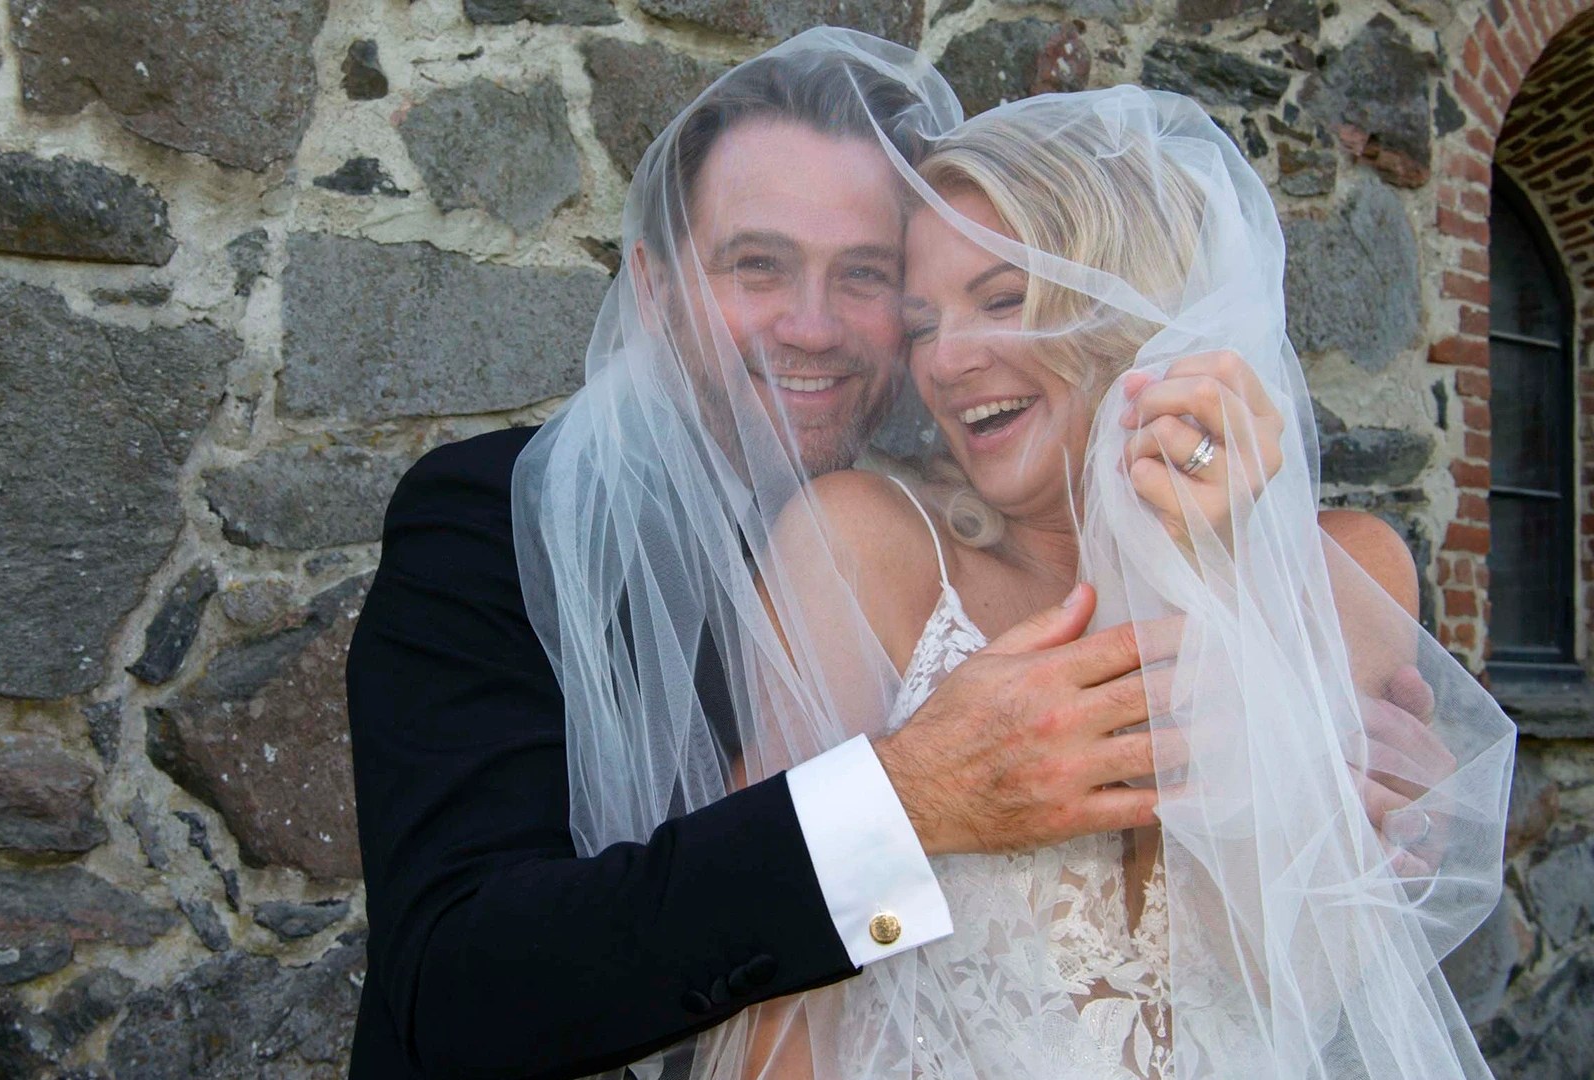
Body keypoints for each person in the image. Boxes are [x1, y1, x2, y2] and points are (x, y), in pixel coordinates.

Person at [538, 56, 1514, 1079]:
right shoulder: (866, 546)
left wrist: (1207, 566)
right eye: (921, 322)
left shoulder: (1348, 576)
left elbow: (1288, 977)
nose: (944, 360)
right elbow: (774, 997)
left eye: (1003, 299)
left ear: (1130, 302)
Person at [346, 33, 1175, 1080]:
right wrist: (907, 802)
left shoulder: (978, 530)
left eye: (866, 275)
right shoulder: (497, 519)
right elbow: (456, 985)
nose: (814, 326)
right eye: (758, 266)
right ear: (651, 287)